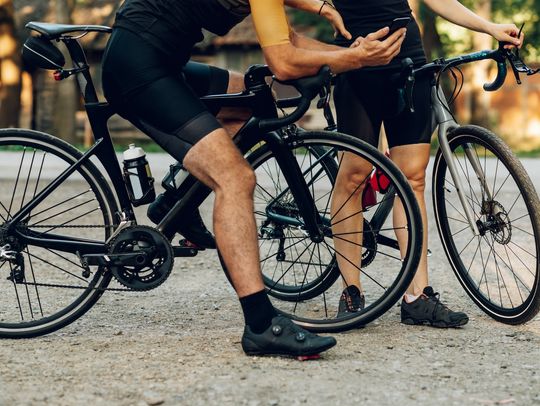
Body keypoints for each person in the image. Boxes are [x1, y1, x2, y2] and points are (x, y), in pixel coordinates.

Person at [101, 0, 407, 357]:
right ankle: (261, 325)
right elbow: (284, 61)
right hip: (139, 67)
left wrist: (350, 51)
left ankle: (177, 201)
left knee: (246, 100)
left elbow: (288, 37)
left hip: (162, 60)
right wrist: (354, 60)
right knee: (235, 178)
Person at [330, 0, 523, 327]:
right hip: (357, 62)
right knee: (354, 177)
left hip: (410, 63)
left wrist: (489, 28)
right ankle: (351, 292)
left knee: (413, 180)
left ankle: (417, 297)